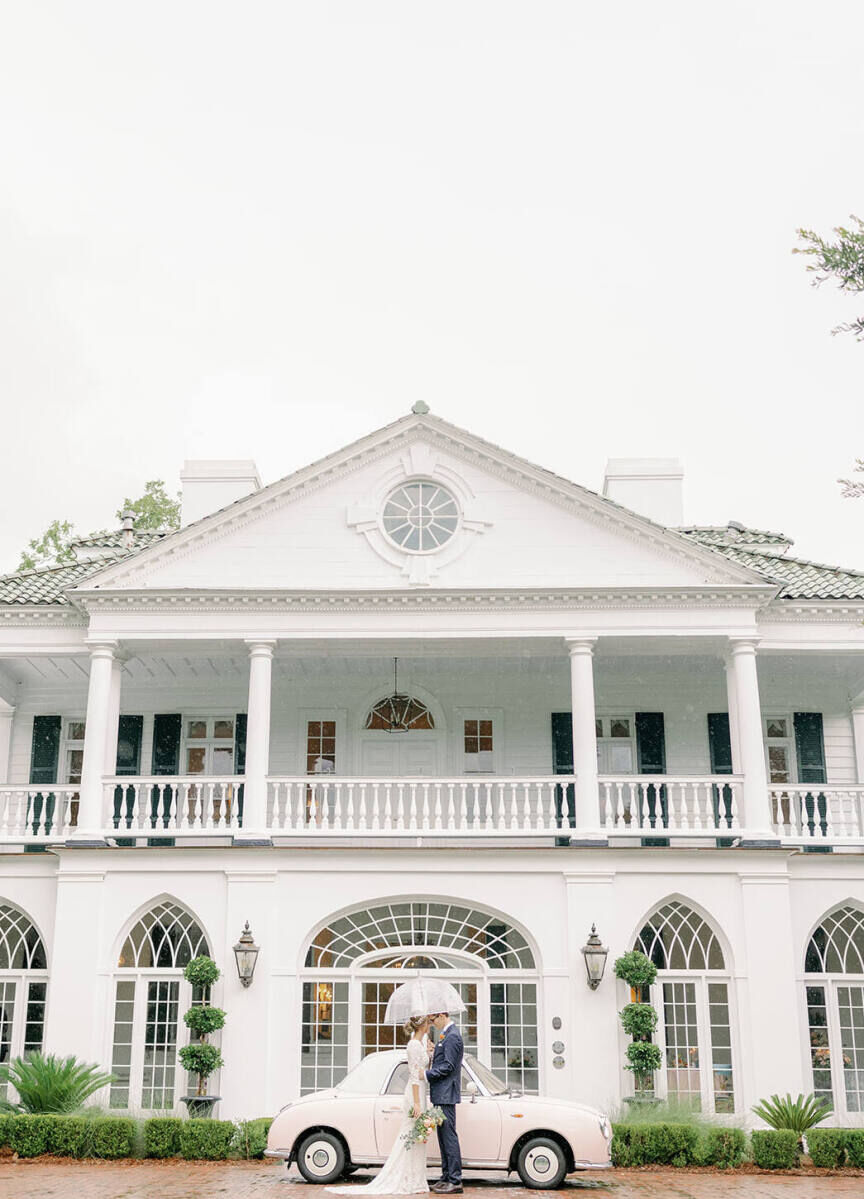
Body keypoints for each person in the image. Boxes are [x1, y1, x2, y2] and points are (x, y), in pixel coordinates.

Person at [327, 1015, 430, 1195]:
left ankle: (417, 1179)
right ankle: (407, 1179)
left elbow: (422, 1069)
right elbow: (414, 1075)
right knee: (410, 1136)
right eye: (428, 1022)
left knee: (418, 1137)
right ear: (423, 1025)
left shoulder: (420, 1043)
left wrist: (429, 1053)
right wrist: (417, 1103)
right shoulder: (413, 1045)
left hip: (421, 1091)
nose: (430, 1025)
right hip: (414, 1094)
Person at [425, 1012, 464, 1194]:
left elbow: (449, 1066)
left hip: (446, 1094)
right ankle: (446, 1176)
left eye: (433, 1020)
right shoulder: (446, 1036)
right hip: (441, 1094)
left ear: (441, 1015)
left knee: (449, 1137)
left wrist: (426, 1075)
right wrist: (434, 1052)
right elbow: (444, 1060)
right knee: (442, 1137)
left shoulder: (453, 1036)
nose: (432, 1024)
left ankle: (455, 1180)